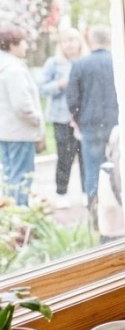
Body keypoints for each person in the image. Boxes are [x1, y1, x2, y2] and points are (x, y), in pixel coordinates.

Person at [67, 25, 119, 206]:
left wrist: (78, 120)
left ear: (90, 40)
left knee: (92, 169)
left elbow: (72, 99)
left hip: (90, 124)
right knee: (118, 168)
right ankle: (118, 209)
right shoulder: (118, 61)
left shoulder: (80, 64)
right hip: (116, 123)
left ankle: (95, 211)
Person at [40, 27, 88, 208]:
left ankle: (86, 191)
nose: (69, 44)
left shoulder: (86, 61)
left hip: (84, 118)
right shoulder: (53, 63)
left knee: (85, 155)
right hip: (61, 117)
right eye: (65, 40)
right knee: (64, 156)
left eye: (72, 40)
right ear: (61, 44)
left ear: (79, 42)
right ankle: (62, 193)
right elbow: (42, 88)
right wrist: (60, 84)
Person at [0, 25, 45, 206]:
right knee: (21, 178)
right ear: (13, 45)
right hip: (20, 132)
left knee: (10, 176)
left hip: (5, 131)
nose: (26, 46)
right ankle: (20, 220)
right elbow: (22, 105)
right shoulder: (13, 69)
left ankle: (10, 219)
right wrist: (36, 120)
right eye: (24, 42)